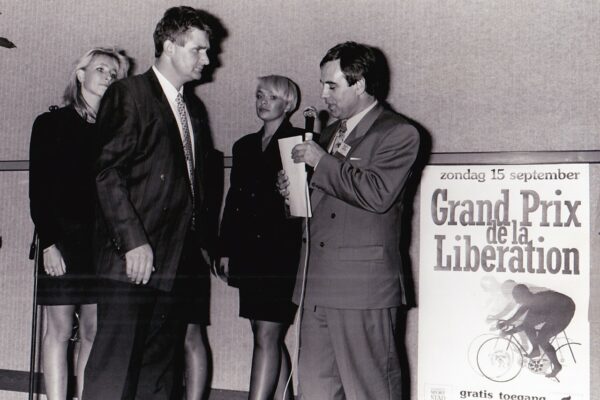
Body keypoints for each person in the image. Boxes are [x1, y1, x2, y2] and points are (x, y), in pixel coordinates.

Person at [82, 7, 216, 399]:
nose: (207, 59)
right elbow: (107, 173)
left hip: (176, 260)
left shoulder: (192, 109)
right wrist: (133, 241)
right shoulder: (129, 93)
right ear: (170, 46)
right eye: (198, 49)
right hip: (133, 261)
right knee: (114, 374)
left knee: (159, 377)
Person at [278, 41, 420, 400]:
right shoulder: (328, 135)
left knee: (370, 390)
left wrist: (321, 163)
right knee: (315, 390)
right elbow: (320, 205)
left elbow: (377, 194)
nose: (323, 94)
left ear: (360, 85)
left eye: (332, 85)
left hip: (362, 289)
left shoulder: (398, 133)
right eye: (322, 85)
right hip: (316, 285)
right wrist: (293, 191)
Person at [28, 46, 129, 400]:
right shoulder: (51, 123)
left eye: (114, 74)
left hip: (101, 245)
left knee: (93, 332)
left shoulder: (116, 132)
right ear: (81, 74)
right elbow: (39, 191)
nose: (108, 77)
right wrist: (49, 243)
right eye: (101, 69)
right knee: (58, 331)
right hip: (62, 241)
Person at [218, 75, 303, 400]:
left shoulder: (299, 141)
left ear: (288, 104)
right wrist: (225, 249)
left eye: (272, 97)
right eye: (259, 96)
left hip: (282, 252)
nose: (263, 102)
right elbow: (234, 201)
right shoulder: (243, 146)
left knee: (267, 333)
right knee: (264, 333)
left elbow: (303, 204)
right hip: (249, 251)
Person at [497, 284, 576, 378]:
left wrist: (508, 332)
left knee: (542, 339)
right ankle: (536, 350)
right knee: (532, 327)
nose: (516, 301)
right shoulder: (531, 300)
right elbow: (519, 313)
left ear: (523, 296)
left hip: (565, 310)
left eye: (516, 298)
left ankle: (556, 365)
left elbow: (525, 325)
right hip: (558, 306)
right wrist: (507, 322)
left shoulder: (536, 304)